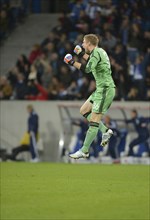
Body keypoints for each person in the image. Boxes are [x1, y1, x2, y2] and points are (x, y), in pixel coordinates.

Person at [64, 33, 116, 159]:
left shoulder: (97, 52)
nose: (82, 44)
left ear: (88, 43)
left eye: (83, 42)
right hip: (100, 89)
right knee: (84, 110)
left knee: (94, 121)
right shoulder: (99, 52)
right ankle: (105, 131)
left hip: (105, 90)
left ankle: (84, 150)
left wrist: (71, 62)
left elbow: (87, 69)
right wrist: (81, 53)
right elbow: (92, 61)